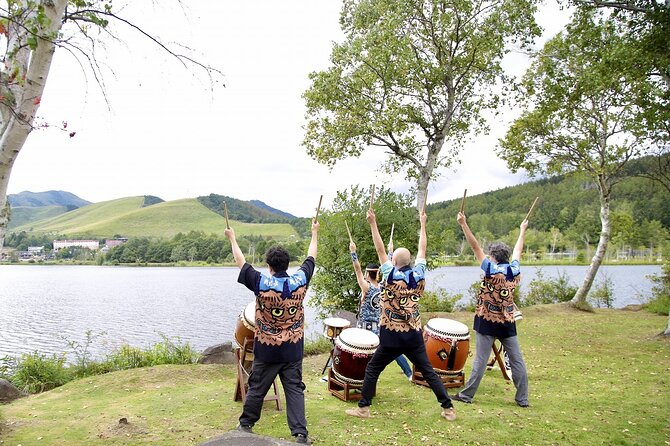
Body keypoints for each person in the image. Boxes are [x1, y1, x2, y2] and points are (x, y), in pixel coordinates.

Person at [345, 207, 456, 421]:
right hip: (413, 334)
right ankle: (448, 408)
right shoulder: (419, 273)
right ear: (410, 261)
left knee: (372, 369)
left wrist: (373, 223)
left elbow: (379, 249)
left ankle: (363, 408)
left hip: (390, 334)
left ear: (394, 262)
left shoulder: (389, 274)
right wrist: (423, 224)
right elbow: (423, 248)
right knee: (428, 371)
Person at [225, 219, 319, 445]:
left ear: (269, 266)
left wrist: (232, 238)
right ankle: (300, 434)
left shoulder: (262, 282)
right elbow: (311, 257)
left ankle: (246, 425)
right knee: (294, 389)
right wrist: (314, 233)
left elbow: (241, 262)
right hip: (293, 349)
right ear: (287, 265)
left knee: (257, 386)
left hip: (267, 349)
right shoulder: (300, 280)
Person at [451, 212, 529, 408]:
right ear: (507, 257)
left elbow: (475, 246)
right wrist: (522, 231)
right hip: (507, 322)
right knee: (516, 360)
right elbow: (519, 250)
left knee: (480, 360)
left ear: (493, 257)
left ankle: (467, 396)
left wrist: (463, 224)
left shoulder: (490, 269)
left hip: (486, 321)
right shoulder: (513, 270)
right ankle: (522, 399)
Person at [349, 241, 413, 379]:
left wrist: (353, 252)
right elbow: (387, 266)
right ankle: (409, 373)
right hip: (378, 327)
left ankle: (344, 372)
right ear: (377, 274)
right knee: (394, 351)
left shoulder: (366, 288)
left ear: (367, 275)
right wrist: (390, 251)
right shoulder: (383, 285)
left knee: (350, 348)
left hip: (364, 328)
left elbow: (357, 269)